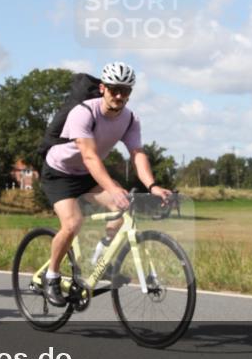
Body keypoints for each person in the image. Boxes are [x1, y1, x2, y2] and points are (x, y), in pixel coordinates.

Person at [39, 62, 172, 306]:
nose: (119, 95)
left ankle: (103, 260)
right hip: (60, 172)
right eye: (114, 89)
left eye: (125, 90)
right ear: (102, 88)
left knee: (123, 210)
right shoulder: (84, 113)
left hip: (88, 174)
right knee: (72, 224)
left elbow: (137, 153)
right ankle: (52, 276)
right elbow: (89, 155)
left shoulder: (130, 119)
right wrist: (112, 188)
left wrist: (152, 185)